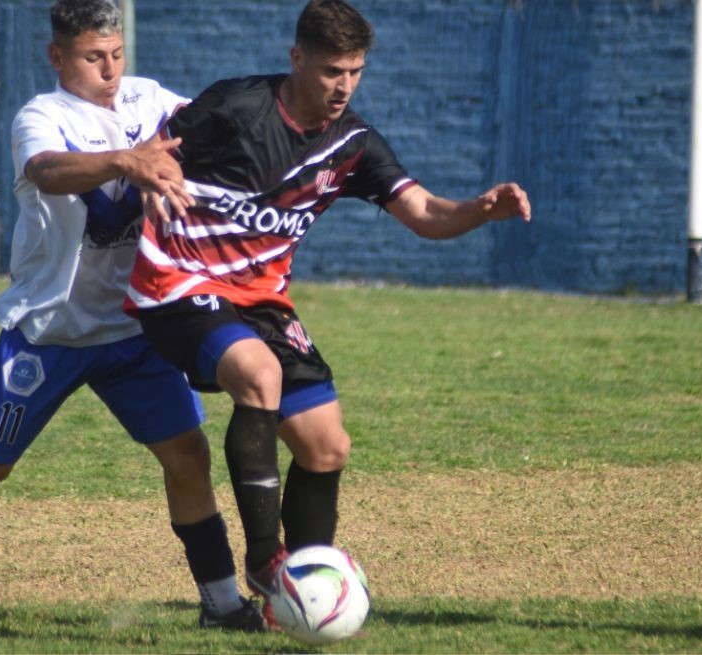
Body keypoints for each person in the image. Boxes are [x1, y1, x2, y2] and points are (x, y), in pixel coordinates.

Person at [0, 0, 263, 631]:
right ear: (58, 56)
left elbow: (210, 126)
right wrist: (126, 161)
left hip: (134, 328)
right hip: (50, 330)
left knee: (187, 456)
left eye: (116, 55)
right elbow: (46, 171)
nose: (110, 70)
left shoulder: (148, 101)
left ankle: (222, 603)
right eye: (93, 57)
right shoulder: (42, 116)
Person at [124, 0, 531, 623]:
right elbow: (155, 154)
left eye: (355, 71)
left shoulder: (353, 145)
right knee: (260, 375)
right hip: (178, 283)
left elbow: (424, 213)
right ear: (297, 59)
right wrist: (155, 175)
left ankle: (305, 596)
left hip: (261, 299)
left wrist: (480, 208)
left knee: (326, 446)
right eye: (331, 70)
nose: (343, 85)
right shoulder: (235, 106)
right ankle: (266, 562)